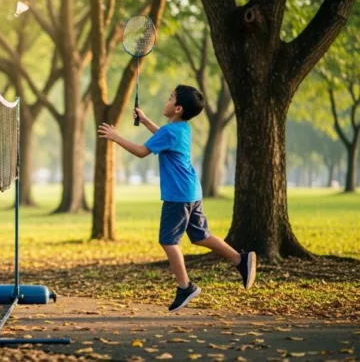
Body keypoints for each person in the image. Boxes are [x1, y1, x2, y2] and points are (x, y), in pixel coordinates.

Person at [97, 85, 256, 312]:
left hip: (178, 196)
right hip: (191, 192)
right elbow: (162, 135)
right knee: (201, 236)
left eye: (170, 98)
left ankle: (186, 287)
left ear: (178, 108)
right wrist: (145, 121)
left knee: (168, 241)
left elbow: (142, 151)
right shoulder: (181, 128)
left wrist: (116, 137)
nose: (166, 100)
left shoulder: (170, 131)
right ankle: (240, 260)